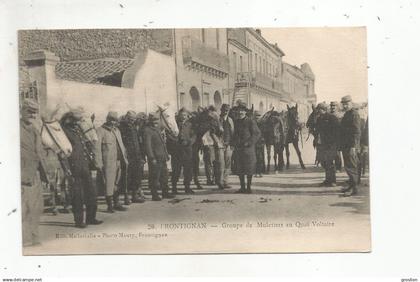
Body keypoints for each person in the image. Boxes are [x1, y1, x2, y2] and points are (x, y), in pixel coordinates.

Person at [61, 109, 102, 228]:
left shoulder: (77, 129)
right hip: (74, 166)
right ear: (69, 119)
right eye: (77, 120)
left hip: (84, 165)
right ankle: (79, 221)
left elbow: (84, 144)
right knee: (77, 195)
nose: (78, 122)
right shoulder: (64, 131)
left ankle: (91, 218)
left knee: (91, 192)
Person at [20, 99, 48, 246]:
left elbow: (40, 152)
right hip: (22, 176)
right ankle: (25, 239)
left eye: (34, 113)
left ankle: (34, 236)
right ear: (22, 111)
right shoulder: (14, 129)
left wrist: (45, 174)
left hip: (36, 174)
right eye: (29, 112)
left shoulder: (35, 130)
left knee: (36, 208)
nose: (32, 115)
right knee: (23, 209)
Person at [96, 111, 128, 213]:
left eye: (115, 120)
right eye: (112, 120)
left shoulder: (117, 131)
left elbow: (121, 146)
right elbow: (96, 149)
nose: (114, 123)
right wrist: (99, 162)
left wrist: (125, 159)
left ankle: (117, 203)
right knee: (108, 183)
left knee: (117, 182)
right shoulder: (100, 131)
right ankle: (110, 206)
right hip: (108, 162)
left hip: (118, 160)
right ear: (108, 120)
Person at [143, 112, 174, 201]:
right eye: (153, 120)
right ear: (150, 121)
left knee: (164, 175)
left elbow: (162, 143)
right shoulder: (147, 130)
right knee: (154, 177)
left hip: (162, 157)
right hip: (155, 158)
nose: (155, 122)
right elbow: (148, 146)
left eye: (157, 120)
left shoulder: (157, 129)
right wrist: (151, 158)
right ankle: (154, 194)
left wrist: (166, 154)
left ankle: (165, 192)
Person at [232, 104, 261, 194]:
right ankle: (242, 187)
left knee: (249, 168)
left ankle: (248, 188)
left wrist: (249, 142)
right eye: (239, 111)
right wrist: (233, 143)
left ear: (245, 112)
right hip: (238, 149)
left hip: (248, 149)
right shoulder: (236, 122)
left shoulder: (250, 121)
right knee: (240, 168)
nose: (240, 112)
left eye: (242, 111)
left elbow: (257, 134)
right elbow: (234, 134)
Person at [119, 111, 146, 204]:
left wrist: (141, 155)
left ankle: (134, 195)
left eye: (134, 119)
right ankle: (126, 197)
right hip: (127, 156)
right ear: (126, 117)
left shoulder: (134, 127)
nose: (132, 121)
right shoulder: (121, 127)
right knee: (127, 177)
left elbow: (138, 141)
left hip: (136, 155)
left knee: (136, 176)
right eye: (130, 119)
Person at [340, 95, 361, 196]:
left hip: (351, 145)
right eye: (343, 104)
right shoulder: (347, 114)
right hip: (345, 144)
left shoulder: (354, 114)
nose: (344, 106)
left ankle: (355, 189)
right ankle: (351, 186)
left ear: (351, 103)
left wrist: (354, 146)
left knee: (352, 166)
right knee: (348, 166)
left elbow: (357, 131)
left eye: (346, 104)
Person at [315, 102, 341, 187]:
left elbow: (337, 131)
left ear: (324, 109)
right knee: (323, 162)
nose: (318, 111)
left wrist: (334, 143)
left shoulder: (332, 118)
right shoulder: (319, 119)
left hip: (331, 144)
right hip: (322, 144)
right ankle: (327, 180)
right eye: (318, 109)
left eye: (319, 109)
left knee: (329, 162)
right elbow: (317, 131)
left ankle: (333, 181)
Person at [171, 108, 196, 195]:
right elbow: (170, 135)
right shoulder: (174, 125)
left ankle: (187, 187)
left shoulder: (190, 125)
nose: (183, 117)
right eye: (181, 115)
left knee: (188, 169)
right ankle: (174, 187)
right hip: (177, 150)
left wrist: (189, 142)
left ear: (187, 116)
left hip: (187, 150)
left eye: (184, 115)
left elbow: (194, 136)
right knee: (176, 170)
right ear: (178, 116)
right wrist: (175, 142)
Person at [208, 106, 225, 190]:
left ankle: (219, 181)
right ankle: (217, 181)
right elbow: (212, 133)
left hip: (219, 143)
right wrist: (217, 142)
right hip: (213, 144)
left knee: (219, 163)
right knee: (217, 163)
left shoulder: (219, 120)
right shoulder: (212, 121)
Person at [219, 104, 234, 188]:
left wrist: (231, 144)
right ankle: (220, 181)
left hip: (228, 145)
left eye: (227, 110)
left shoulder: (230, 120)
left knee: (228, 164)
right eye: (224, 110)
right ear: (221, 110)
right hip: (220, 145)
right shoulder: (217, 119)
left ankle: (225, 181)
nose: (225, 112)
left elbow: (233, 133)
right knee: (221, 164)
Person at [330, 101, 343, 171]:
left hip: (337, 136)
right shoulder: (328, 115)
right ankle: (332, 167)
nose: (333, 107)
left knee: (337, 153)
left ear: (337, 107)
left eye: (334, 106)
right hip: (330, 137)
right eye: (332, 106)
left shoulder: (339, 116)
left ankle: (338, 167)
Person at [254, 111, 265, 178]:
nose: (257, 117)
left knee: (260, 158)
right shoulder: (252, 123)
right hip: (254, 143)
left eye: (258, 116)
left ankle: (260, 172)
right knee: (254, 158)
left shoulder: (262, 124)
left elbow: (264, 132)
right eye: (256, 116)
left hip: (260, 143)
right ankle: (255, 172)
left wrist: (263, 139)